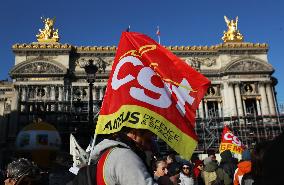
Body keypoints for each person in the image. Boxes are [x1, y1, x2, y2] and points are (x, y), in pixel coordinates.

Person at [89, 127, 156, 185]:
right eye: (147, 141)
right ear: (135, 134)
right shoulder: (125, 156)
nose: (149, 147)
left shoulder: (111, 152)